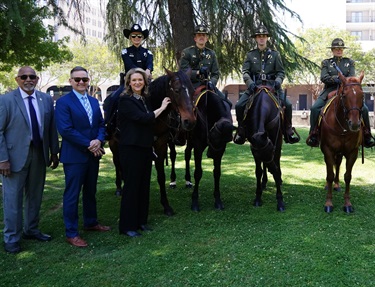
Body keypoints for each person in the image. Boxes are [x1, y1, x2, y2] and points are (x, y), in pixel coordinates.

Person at [0, 66, 59, 254]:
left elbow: (51, 128)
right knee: (12, 199)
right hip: (13, 157)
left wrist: (54, 152)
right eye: (24, 76)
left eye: (32, 76)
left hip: (39, 154)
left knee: (35, 196)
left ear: (37, 79)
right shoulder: (6, 100)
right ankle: (11, 238)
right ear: (17, 79)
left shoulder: (46, 99)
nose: (28, 79)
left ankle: (31, 230)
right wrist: (2, 160)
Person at [55, 66, 110, 248]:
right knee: (72, 195)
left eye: (84, 80)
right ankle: (71, 232)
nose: (81, 82)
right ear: (70, 81)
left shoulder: (94, 102)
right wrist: (89, 143)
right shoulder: (64, 103)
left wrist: (99, 140)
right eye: (77, 79)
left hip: (93, 155)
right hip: (75, 156)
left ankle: (91, 222)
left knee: (90, 191)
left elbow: (101, 125)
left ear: (88, 81)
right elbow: (66, 129)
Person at [117, 68, 171, 237]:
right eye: (134, 80)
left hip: (145, 149)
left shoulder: (143, 99)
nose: (137, 83)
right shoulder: (125, 100)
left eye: (140, 80)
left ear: (144, 82)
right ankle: (127, 226)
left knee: (143, 187)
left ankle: (141, 221)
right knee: (131, 187)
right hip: (131, 149)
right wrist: (162, 107)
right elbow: (144, 118)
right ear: (128, 83)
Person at [233, 25, 299, 145]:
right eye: (259, 37)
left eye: (264, 36)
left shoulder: (275, 55)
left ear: (267, 38)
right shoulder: (250, 55)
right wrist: (250, 83)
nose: (261, 39)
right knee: (239, 105)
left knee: (288, 105)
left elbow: (280, 72)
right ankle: (241, 131)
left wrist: (278, 81)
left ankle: (288, 130)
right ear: (256, 39)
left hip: (272, 86)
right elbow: (245, 72)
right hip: (255, 87)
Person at [306, 38, 375, 148]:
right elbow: (324, 77)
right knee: (315, 108)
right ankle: (314, 133)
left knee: (365, 109)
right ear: (332, 50)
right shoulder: (326, 62)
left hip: (346, 89)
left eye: (341, 49)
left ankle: (367, 134)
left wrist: (344, 81)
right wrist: (337, 79)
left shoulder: (349, 62)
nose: (339, 51)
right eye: (337, 49)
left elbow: (351, 77)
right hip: (330, 89)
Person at [180, 24, 228, 103]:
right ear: (195, 38)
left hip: (207, 85)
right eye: (199, 35)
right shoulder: (187, 52)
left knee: (226, 103)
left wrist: (211, 83)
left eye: (203, 35)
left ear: (207, 39)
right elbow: (184, 71)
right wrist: (198, 72)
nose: (201, 37)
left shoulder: (211, 54)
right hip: (191, 85)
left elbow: (215, 74)